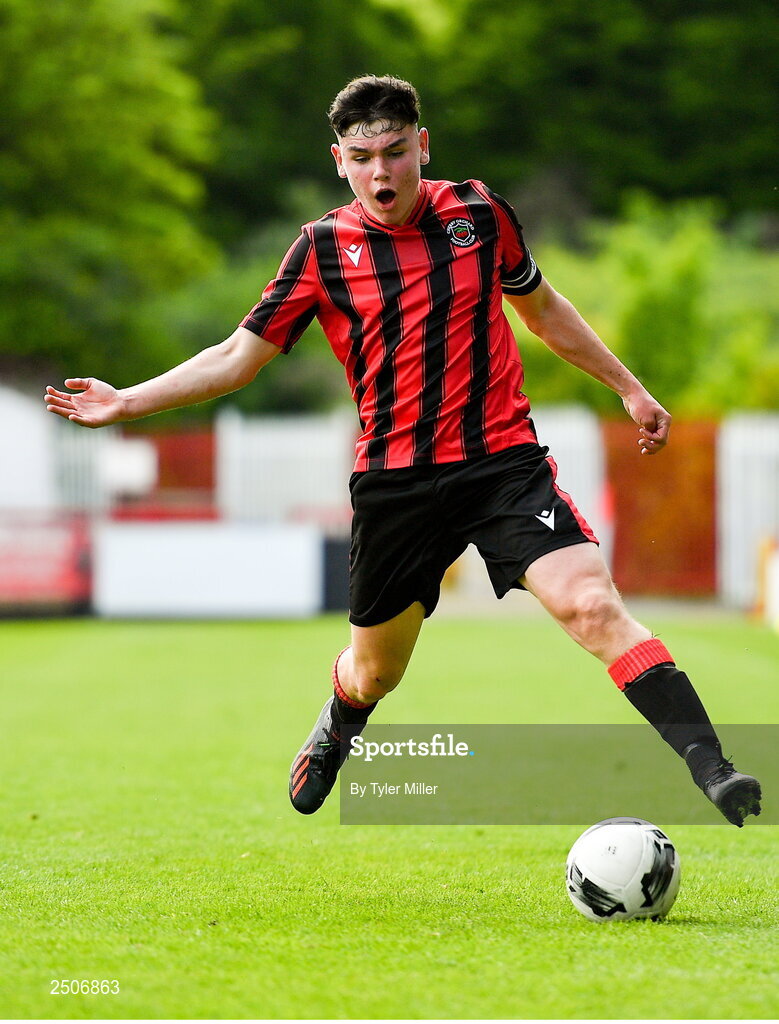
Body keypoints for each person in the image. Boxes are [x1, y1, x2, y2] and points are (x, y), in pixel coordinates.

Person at [45, 74, 760, 827]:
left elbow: (541, 308)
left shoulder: (477, 215)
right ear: (339, 161)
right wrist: (129, 400)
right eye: (362, 157)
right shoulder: (321, 249)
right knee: (376, 670)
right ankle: (339, 722)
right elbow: (236, 357)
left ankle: (714, 769)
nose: (380, 172)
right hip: (395, 484)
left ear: (422, 145)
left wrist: (628, 386)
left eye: (394, 151)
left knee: (591, 607)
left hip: (500, 465)